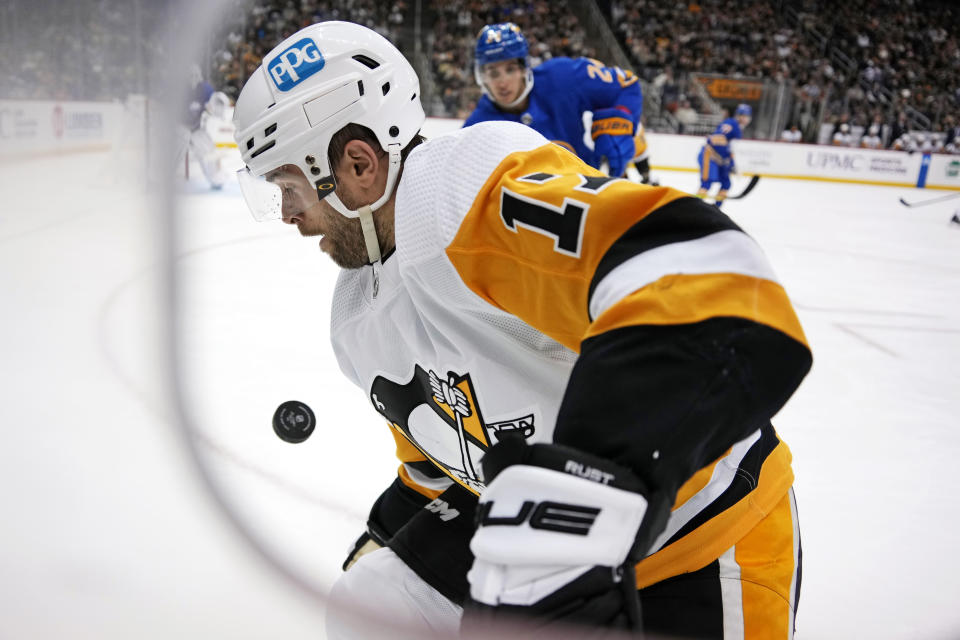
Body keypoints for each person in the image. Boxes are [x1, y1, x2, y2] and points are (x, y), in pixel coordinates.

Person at [233, 21, 812, 639]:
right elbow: (438, 459)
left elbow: (707, 280)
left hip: (701, 526)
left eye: (290, 187)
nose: (289, 216)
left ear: (357, 164)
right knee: (373, 603)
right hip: (533, 533)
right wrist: (387, 535)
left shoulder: (463, 195)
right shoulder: (356, 314)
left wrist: (583, 504)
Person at [463, 22, 642, 180]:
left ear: (524, 68)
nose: (502, 82)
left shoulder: (563, 77)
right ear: (482, 76)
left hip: (590, 190)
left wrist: (620, 124)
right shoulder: (476, 129)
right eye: (493, 73)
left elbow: (626, 85)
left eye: (510, 69)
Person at [180, 63, 229, 189]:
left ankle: (216, 179)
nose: (193, 78)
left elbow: (214, 100)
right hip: (179, 129)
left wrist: (217, 104)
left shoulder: (204, 88)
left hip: (197, 129)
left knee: (208, 151)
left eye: (196, 75)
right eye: (190, 75)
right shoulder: (178, 89)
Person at [696, 103, 752, 208]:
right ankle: (695, 208)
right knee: (707, 182)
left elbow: (730, 149)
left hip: (720, 160)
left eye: (747, 116)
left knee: (726, 183)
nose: (746, 119)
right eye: (744, 116)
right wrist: (724, 155)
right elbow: (714, 139)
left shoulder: (738, 128)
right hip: (709, 156)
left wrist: (731, 164)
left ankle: (716, 209)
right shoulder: (731, 124)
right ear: (738, 116)